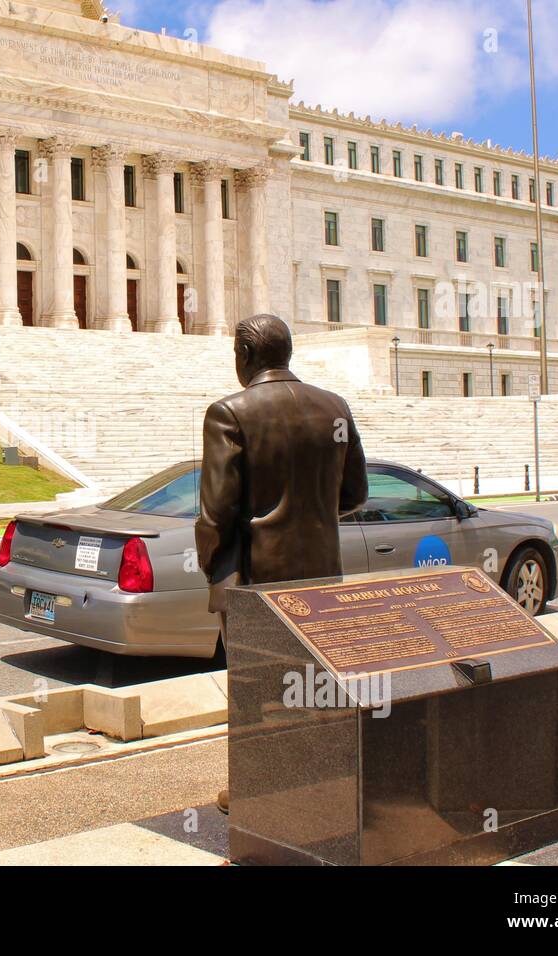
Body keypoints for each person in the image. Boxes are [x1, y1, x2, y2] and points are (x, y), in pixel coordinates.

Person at [195, 314, 369, 812]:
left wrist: (211, 565)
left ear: (244, 356)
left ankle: (258, 788)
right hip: (322, 573)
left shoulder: (229, 412)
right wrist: (312, 517)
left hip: (255, 576)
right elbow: (355, 493)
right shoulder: (334, 407)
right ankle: (319, 779)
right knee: (313, 685)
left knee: (257, 689)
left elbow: (216, 513)